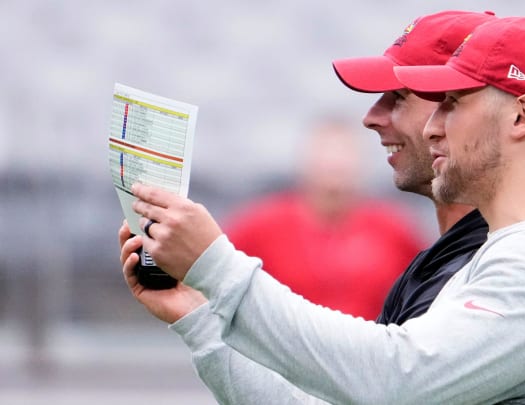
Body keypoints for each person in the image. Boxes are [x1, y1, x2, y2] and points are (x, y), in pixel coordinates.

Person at [119, 10, 494, 404]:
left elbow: (390, 374)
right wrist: (196, 315)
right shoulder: (264, 222)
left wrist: (214, 264)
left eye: (399, 96)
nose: (371, 117)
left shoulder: (509, 259)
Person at [221, 116, 425, 321]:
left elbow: (426, 292)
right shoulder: (260, 225)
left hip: (368, 346)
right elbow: (217, 278)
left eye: (344, 154)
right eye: (326, 153)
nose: (335, 164)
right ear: (306, 160)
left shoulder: (393, 229)